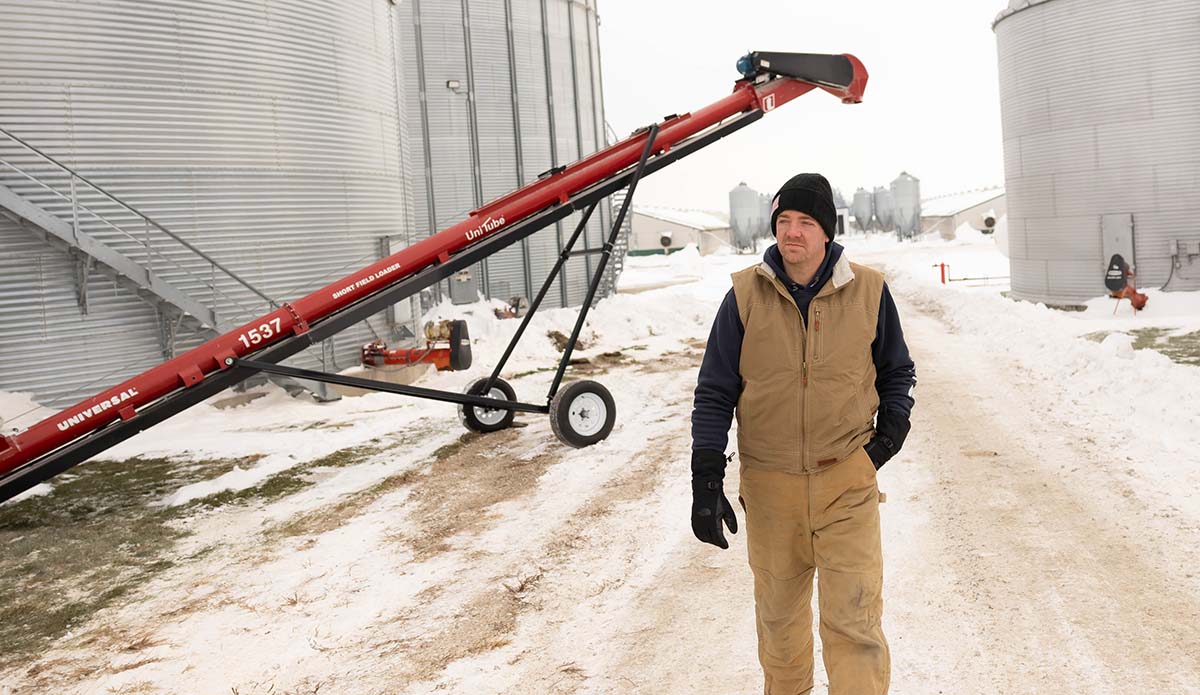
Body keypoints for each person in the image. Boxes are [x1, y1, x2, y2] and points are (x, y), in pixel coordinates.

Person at [690, 173, 916, 694]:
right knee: (781, 631)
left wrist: (886, 440)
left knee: (855, 624)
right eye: (783, 221)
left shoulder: (870, 291)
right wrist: (706, 478)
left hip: (846, 483)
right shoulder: (744, 296)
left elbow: (897, 371)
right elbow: (714, 390)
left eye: (805, 222)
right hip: (771, 491)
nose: (792, 232)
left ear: (827, 232)